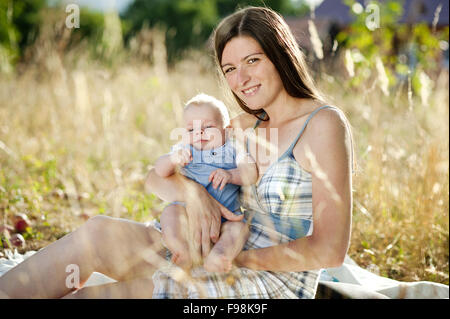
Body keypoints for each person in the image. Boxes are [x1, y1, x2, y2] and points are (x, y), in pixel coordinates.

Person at [0, 6, 353, 299]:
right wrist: (193, 192)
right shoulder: (241, 126)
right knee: (97, 234)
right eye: (230, 69)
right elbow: (156, 177)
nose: (241, 78)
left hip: (264, 281)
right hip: (198, 251)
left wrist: (235, 258)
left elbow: (329, 249)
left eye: (253, 60)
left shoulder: (322, 124)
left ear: (280, 54)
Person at [154, 93, 257, 273]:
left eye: (208, 126)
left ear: (226, 130)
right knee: (170, 212)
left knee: (239, 229)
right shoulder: (183, 149)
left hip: (227, 218)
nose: (198, 133)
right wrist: (173, 159)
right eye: (191, 130)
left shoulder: (234, 148)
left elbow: (250, 173)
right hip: (187, 213)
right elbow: (160, 170)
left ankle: (219, 255)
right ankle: (182, 250)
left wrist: (231, 175)